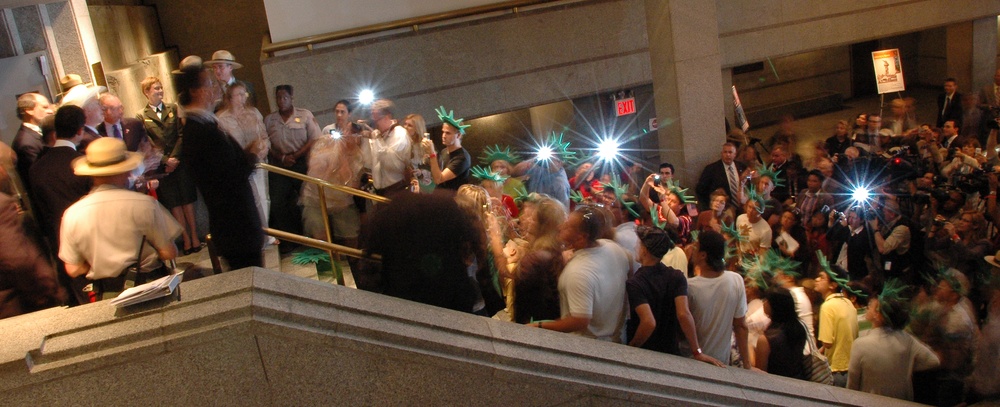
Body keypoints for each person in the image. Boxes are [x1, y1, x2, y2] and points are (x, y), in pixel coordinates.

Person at [59, 137, 181, 298]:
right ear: (125, 170)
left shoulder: (72, 213)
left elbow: (73, 269)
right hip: (150, 288)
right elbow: (169, 252)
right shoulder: (145, 205)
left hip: (106, 295)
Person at [177, 56, 264, 270]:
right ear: (196, 91)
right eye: (209, 84)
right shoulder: (199, 130)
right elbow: (228, 176)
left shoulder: (205, 123)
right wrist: (251, 155)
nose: (215, 88)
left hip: (237, 224)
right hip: (234, 226)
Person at [627, 225, 725, 366]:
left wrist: (632, 346)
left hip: (645, 354)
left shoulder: (636, 283)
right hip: (671, 353)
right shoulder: (676, 277)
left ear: (645, 250)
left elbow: (649, 322)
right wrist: (697, 351)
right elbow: (684, 314)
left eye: (638, 244)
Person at [534, 205, 630, 343]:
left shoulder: (578, 272)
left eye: (567, 227)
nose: (560, 227)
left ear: (582, 237)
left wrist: (540, 326)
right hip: (618, 339)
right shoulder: (613, 248)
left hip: (589, 347)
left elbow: (580, 321)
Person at [27, 105, 92, 305]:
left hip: (58, 242)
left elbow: (39, 211)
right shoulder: (82, 164)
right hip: (88, 239)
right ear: (80, 130)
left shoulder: (36, 168)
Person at [138, 76, 201, 255]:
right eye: (155, 89)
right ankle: (186, 239)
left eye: (160, 88)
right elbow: (148, 142)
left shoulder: (172, 109)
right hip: (161, 167)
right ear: (147, 92)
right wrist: (165, 161)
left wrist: (174, 158)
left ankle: (195, 236)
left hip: (179, 162)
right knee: (174, 203)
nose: (160, 91)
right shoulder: (142, 115)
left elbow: (181, 134)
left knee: (187, 200)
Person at [847, 280, 940, 401]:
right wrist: (906, 365)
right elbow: (933, 361)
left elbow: (851, 386)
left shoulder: (860, 344)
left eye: (872, 306)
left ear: (879, 315)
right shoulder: (907, 340)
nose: (868, 306)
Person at [217, 82, 274, 247]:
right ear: (230, 97)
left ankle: (266, 232)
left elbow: (264, 135)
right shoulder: (222, 118)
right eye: (239, 94)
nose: (243, 98)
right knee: (250, 199)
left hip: (259, 161)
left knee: (263, 197)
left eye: (245, 94)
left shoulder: (253, 113)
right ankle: (257, 232)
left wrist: (264, 148)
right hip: (240, 164)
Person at [301, 99, 363, 249]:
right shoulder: (326, 137)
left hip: (341, 198)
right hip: (318, 195)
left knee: (351, 236)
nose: (339, 115)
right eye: (337, 111)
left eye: (343, 112)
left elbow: (353, 182)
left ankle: (353, 262)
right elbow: (315, 164)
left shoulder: (357, 154)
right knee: (320, 234)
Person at [264, 85, 320, 251]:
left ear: (291, 98)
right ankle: (291, 239)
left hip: (300, 162)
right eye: (279, 98)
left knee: (308, 199)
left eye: (285, 97)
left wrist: (296, 155)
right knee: (278, 201)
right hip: (280, 165)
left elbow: (314, 138)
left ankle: (313, 236)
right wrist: (281, 157)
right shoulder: (270, 120)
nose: (282, 101)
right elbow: (266, 143)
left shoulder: (304, 115)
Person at [686, 230, 750, 367]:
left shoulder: (690, 287)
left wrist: (697, 351)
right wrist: (748, 366)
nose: (692, 249)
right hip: (721, 362)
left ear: (703, 255)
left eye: (695, 247)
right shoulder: (736, 280)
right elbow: (741, 327)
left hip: (692, 360)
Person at [510, 193, 566, 324]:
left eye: (533, 219)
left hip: (535, 326)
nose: (528, 221)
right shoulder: (559, 251)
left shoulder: (533, 260)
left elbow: (521, 306)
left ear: (543, 226)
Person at [814, 262, 859, 387]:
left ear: (833, 285)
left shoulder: (828, 306)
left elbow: (827, 342)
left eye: (822, 277)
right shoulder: (848, 302)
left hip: (837, 370)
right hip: (851, 368)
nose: (816, 280)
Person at [359, 99, 412, 198]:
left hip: (397, 189)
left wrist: (375, 138)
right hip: (380, 190)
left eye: (376, 120)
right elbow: (369, 163)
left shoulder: (399, 134)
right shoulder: (379, 135)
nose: (374, 124)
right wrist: (364, 140)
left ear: (387, 117)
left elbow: (389, 161)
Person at [753, 288, 807, 379]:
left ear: (774, 305)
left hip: (774, 384)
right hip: (798, 381)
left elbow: (760, 371)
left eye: (766, 300)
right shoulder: (799, 329)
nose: (763, 303)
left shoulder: (766, 339)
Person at [422, 106, 471, 190]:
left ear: (458, 135)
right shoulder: (445, 151)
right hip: (440, 196)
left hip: (452, 200)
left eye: (448, 133)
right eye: (443, 132)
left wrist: (432, 154)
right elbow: (435, 172)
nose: (443, 136)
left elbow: (439, 179)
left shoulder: (462, 158)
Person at [12, 92, 53, 183]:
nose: (51, 111)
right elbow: (43, 176)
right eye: (45, 107)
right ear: (29, 110)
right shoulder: (26, 143)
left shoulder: (39, 133)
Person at [695, 142, 746, 208]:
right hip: (722, 210)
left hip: (742, 207)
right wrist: (710, 206)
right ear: (721, 154)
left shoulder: (742, 167)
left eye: (730, 152)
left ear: (735, 154)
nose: (727, 155)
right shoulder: (711, 169)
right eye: (725, 152)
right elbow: (700, 190)